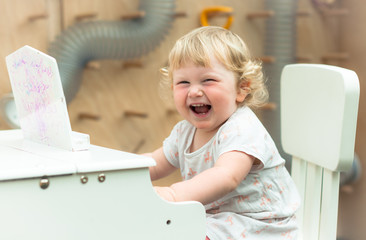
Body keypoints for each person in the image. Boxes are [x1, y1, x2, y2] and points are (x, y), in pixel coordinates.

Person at [145, 26, 300, 239]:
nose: (194, 91)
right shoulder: (185, 132)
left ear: (241, 89)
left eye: (208, 80)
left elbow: (226, 176)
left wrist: (172, 194)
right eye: (183, 82)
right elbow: (155, 162)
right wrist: (118, 170)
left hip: (260, 225)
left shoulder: (242, 128)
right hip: (218, 220)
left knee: (177, 230)